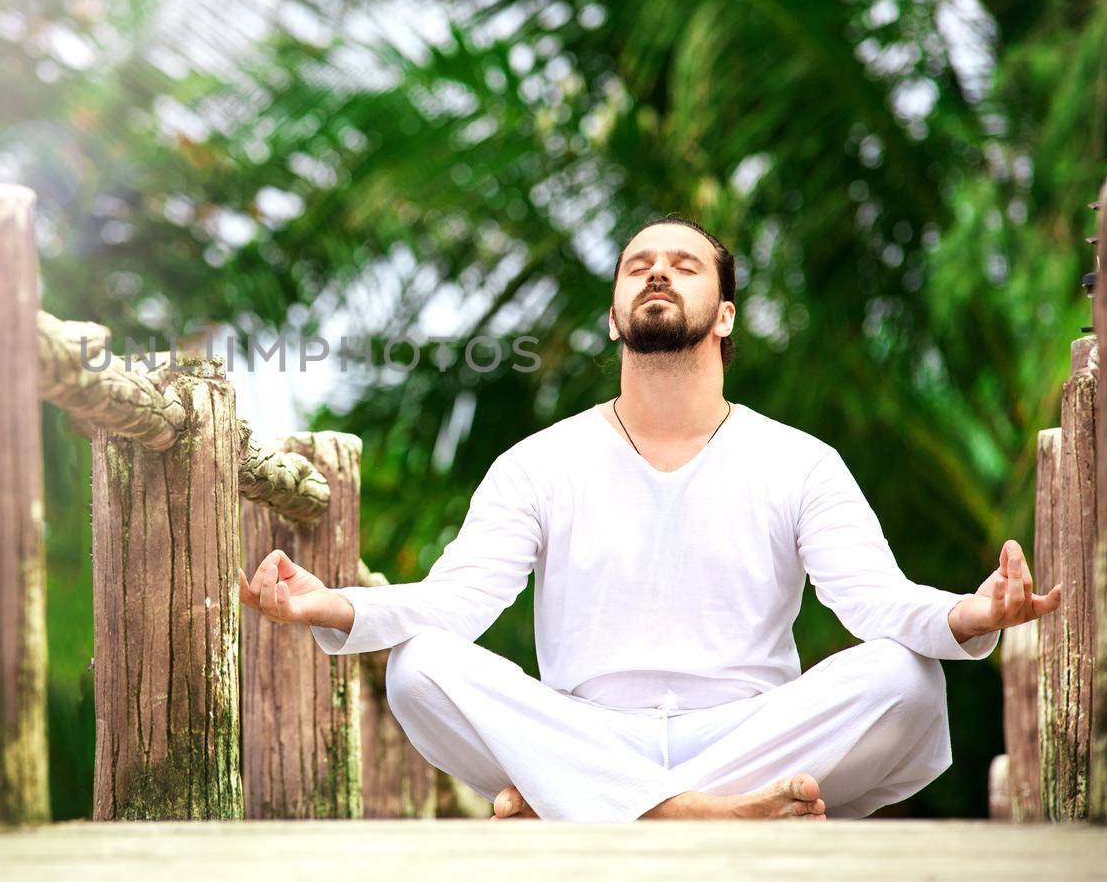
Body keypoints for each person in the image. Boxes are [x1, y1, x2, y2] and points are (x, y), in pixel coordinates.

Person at [237, 215, 1062, 822]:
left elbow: (877, 601)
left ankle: (588, 806)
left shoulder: (798, 461)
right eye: (638, 265)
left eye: (683, 264)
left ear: (727, 314)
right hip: (585, 728)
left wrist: (971, 612)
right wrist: (331, 605)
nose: (657, 274)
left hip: (752, 731)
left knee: (906, 678)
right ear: (614, 315)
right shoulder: (539, 462)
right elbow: (456, 600)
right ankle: (696, 814)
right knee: (420, 667)